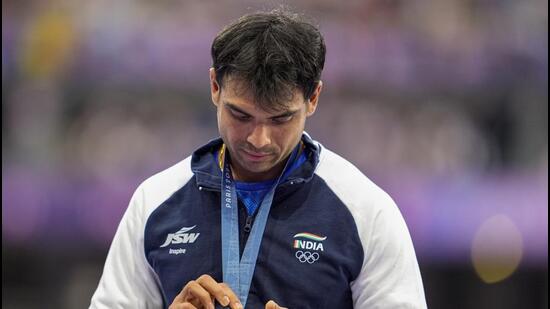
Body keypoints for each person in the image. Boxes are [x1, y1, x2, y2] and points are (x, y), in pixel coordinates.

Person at [89, 9, 427, 309]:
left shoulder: (366, 212)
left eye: (280, 119)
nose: (258, 139)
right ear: (214, 87)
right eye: (240, 115)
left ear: (313, 98)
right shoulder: (154, 202)